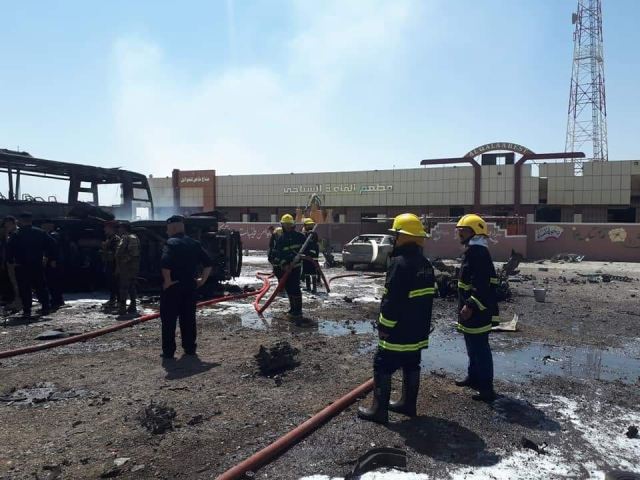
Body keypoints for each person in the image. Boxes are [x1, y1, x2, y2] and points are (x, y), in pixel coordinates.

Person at [358, 213, 435, 424]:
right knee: (412, 364)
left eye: (396, 235)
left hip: (398, 330)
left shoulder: (399, 264)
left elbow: (392, 300)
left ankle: (379, 411)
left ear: (403, 237)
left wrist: (384, 326)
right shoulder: (426, 264)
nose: (394, 239)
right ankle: (408, 404)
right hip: (418, 330)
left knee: (382, 364)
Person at [455, 214, 498, 402]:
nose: (459, 234)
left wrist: (470, 305)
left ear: (475, 232)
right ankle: (473, 377)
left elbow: (481, 284)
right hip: (471, 310)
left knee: (480, 349)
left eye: (463, 231)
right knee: (471, 346)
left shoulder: (478, 253)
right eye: (459, 230)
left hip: (477, 310)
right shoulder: (473, 251)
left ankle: (487, 389)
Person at [160, 215, 213, 359]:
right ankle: (189, 348)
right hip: (190, 286)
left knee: (169, 320)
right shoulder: (194, 243)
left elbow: (165, 263)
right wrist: (202, 280)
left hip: (173, 287)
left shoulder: (170, 243)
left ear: (173, 227)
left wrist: (167, 281)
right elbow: (208, 263)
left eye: (167, 229)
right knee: (188, 318)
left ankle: (168, 352)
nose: (166, 232)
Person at [6, 212, 55, 317]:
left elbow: (9, 249)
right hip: (37, 264)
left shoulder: (16, 234)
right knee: (40, 286)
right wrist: (48, 257)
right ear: (31, 220)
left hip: (21, 265)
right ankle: (45, 307)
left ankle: (27, 310)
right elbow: (52, 244)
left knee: (24, 288)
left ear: (20, 221)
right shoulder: (40, 233)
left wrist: (10, 261)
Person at [271, 214, 306, 318]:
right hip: (285, 267)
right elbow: (278, 254)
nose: (287, 227)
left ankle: (298, 310)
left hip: (296, 266)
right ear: (282, 225)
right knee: (288, 287)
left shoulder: (300, 236)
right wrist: (284, 264)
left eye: (288, 224)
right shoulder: (281, 239)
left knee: (295, 287)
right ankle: (292, 308)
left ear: (292, 225)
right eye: (285, 225)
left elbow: (306, 249)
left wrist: (299, 257)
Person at [115, 221, 141, 317]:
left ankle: (124, 308)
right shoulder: (125, 237)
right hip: (125, 267)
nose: (118, 229)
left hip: (128, 267)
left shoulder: (131, 237)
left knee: (125, 287)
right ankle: (130, 307)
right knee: (129, 287)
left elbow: (134, 253)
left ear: (125, 228)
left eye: (120, 227)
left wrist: (124, 262)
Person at [41, 219, 65, 309]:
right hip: (52, 260)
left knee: (54, 281)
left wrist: (53, 259)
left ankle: (57, 300)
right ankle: (57, 299)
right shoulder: (50, 235)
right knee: (52, 281)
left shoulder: (53, 235)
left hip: (53, 261)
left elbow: (54, 249)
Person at [1, 216, 21, 310]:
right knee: (13, 282)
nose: (7, 226)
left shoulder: (18, 233)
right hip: (10, 262)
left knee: (17, 283)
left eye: (8, 224)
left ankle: (19, 301)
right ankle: (15, 300)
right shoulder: (9, 234)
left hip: (16, 262)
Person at [100, 220, 121, 310]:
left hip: (114, 264)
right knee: (111, 283)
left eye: (106, 228)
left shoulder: (115, 239)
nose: (104, 229)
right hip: (109, 263)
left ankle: (119, 301)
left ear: (111, 228)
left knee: (115, 283)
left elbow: (117, 253)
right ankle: (112, 299)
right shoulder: (110, 238)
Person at [301, 218, 320, 293]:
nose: (309, 226)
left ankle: (314, 288)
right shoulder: (306, 234)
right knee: (307, 272)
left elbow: (313, 244)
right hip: (306, 256)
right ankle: (308, 287)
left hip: (312, 256)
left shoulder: (313, 234)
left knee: (313, 272)